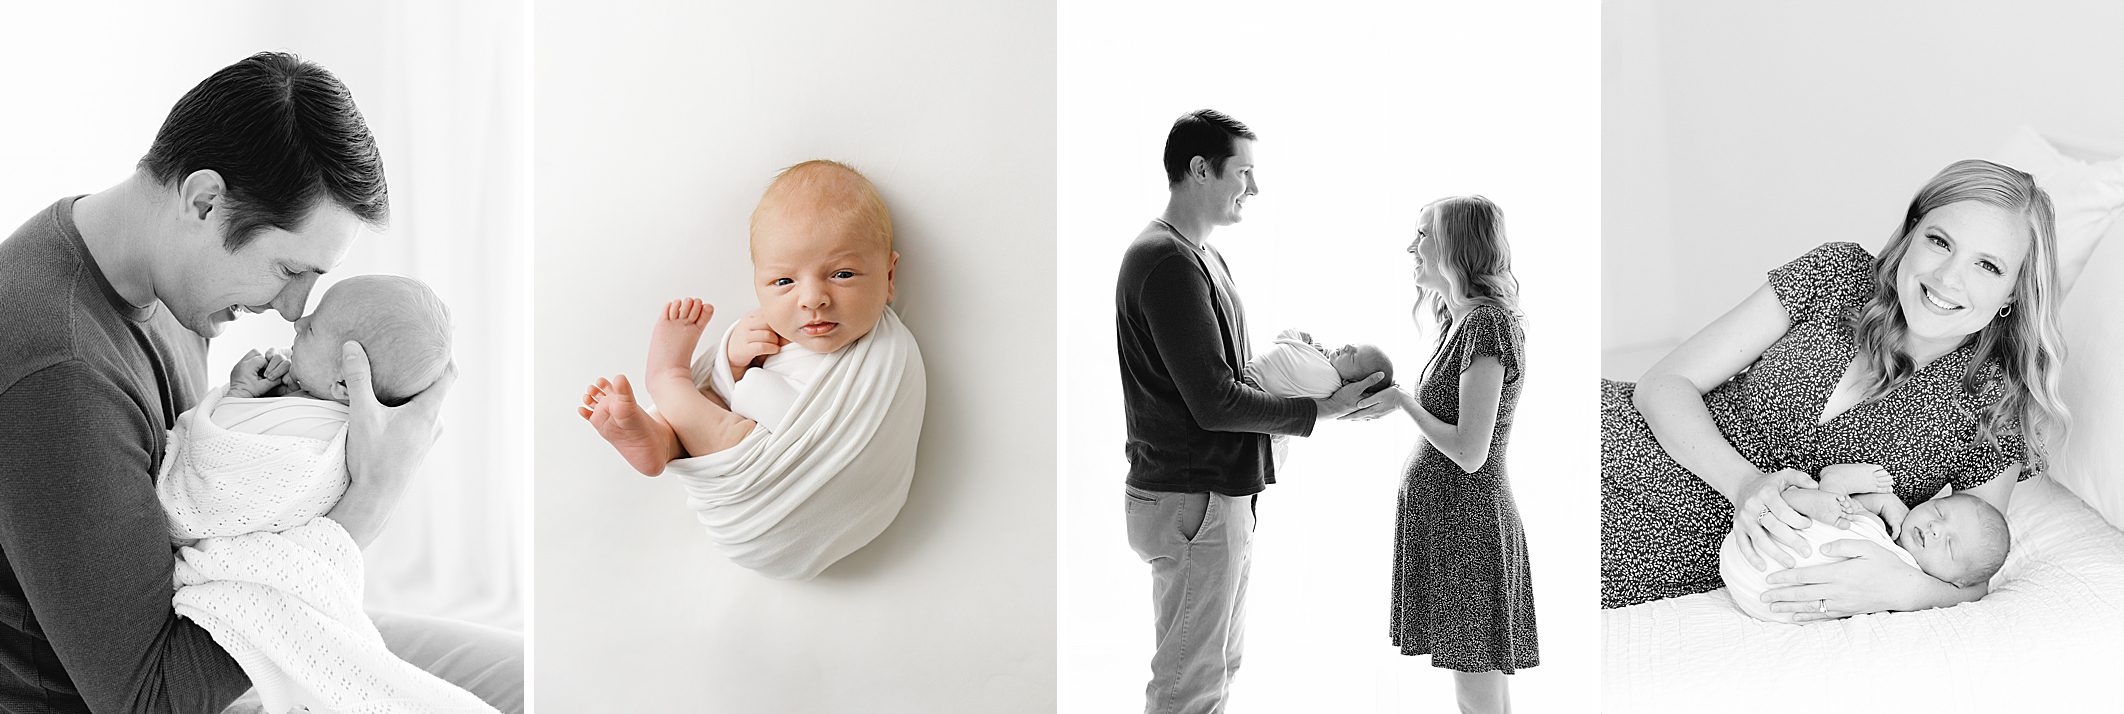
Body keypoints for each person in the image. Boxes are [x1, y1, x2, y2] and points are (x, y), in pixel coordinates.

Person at [0, 52, 520, 712]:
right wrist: (366, 506)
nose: (298, 309)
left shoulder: (161, 279)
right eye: (288, 269)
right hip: (169, 683)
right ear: (204, 200)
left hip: (231, 623)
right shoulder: (60, 371)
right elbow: (148, 698)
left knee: (530, 680)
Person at [1601, 159, 2073, 624]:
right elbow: (1664, 383)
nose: (1949, 277)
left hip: (1655, 549)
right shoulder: (1837, 275)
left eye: (1988, 266)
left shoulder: (1997, 401)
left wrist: (1903, 588)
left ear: (2013, 292)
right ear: (1910, 235)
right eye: (1939, 241)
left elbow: (1973, 570)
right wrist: (1745, 484)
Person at [1113, 109, 1380, 714]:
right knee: (1191, 686)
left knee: (1217, 671)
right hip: (1193, 500)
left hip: (1213, 497)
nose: (1254, 189)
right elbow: (1214, 402)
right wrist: (1322, 409)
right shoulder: (1168, 261)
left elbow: (1228, 378)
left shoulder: (1200, 257)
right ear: (1201, 170)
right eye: (1245, 172)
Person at [579, 160, 925, 581]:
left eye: (842, 274)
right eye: (783, 283)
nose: (813, 299)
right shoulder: (768, 333)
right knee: (709, 410)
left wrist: (750, 384)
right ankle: (658, 442)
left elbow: (849, 433)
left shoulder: (889, 354)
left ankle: (666, 377)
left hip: (814, 505)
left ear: (889, 276)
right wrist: (734, 359)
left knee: (727, 430)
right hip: (752, 507)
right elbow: (719, 389)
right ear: (759, 284)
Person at [1365, 195, 1536, 713]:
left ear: (1457, 246)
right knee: (1477, 683)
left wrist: (1400, 401)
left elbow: (1469, 451)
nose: (1411, 247)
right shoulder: (1458, 322)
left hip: (1469, 526)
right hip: (1450, 523)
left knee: (1475, 685)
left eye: (1423, 235)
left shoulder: (1486, 326)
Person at [1721, 488, 2010, 624]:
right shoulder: (1877, 524)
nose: (1935, 529)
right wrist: (1877, 501)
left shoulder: (1907, 584)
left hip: (1764, 590)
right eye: (1939, 512)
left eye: (1949, 545)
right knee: (1819, 507)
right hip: (1753, 545)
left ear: (1956, 582)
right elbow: (1838, 502)